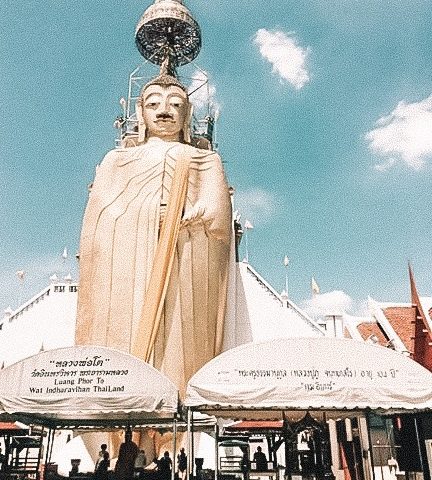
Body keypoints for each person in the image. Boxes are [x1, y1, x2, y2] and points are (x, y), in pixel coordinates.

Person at [75, 68, 232, 395]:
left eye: (175, 105)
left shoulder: (205, 159)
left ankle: (178, 399)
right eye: (154, 104)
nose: (164, 111)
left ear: (187, 114)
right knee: (126, 335)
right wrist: (146, 215)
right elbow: (99, 218)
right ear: (140, 112)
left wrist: (194, 215)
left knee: (179, 338)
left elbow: (218, 218)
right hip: (128, 267)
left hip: (186, 258)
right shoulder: (117, 160)